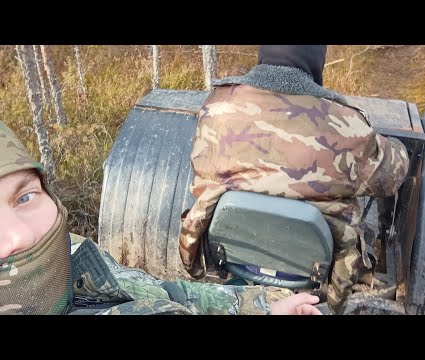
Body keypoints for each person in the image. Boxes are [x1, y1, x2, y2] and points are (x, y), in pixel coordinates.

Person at [0, 120, 321, 315]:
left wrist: (259, 306)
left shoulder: (73, 253)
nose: (20, 237)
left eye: (25, 196)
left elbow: (156, 290)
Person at [179, 45, 410, 314]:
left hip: (236, 256)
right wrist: (392, 145)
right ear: (316, 58)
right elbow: (393, 176)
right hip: (313, 269)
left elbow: (200, 166)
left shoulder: (218, 106)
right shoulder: (346, 123)